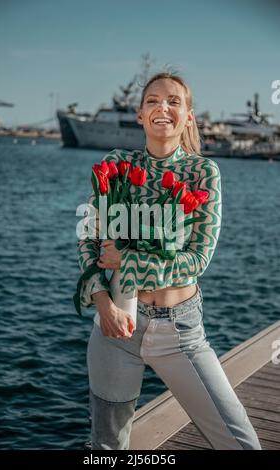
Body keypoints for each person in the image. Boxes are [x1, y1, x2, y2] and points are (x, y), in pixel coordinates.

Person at [77, 72, 262, 450]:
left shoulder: (202, 174)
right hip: (117, 328)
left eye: (174, 101)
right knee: (106, 448)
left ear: (189, 117)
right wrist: (103, 305)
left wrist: (126, 259)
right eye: (153, 101)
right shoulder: (117, 165)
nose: (163, 107)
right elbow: (90, 240)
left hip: (180, 330)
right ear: (141, 115)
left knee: (240, 442)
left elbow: (197, 260)